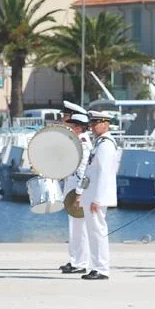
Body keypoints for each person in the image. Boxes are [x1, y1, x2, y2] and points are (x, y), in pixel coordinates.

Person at [79, 110, 118, 280]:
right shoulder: (99, 143)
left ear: (105, 124)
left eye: (96, 123)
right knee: (93, 232)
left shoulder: (106, 144)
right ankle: (96, 266)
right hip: (92, 193)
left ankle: (101, 268)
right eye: (92, 124)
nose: (93, 127)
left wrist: (98, 199)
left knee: (98, 232)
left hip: (97, 196)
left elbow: (104, 174)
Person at [60, 107, 93, 274]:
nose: (69, 127)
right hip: (71, 182)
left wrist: (80, 191)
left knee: (80, 226)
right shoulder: (76, 140)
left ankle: (81, 263)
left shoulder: (83, 142)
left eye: (72, 125)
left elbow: (83, 168)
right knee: (74, 226)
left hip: (77, 184)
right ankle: (75, 260)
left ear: (79, 127)